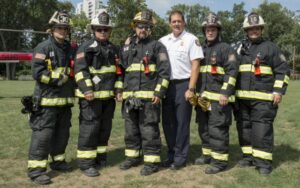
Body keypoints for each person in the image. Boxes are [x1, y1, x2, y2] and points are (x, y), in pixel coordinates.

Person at [235, 12, 290, 175]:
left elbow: (283, 71)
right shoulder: (240, 49)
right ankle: (248, 157)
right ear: (246, 30)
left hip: (263, 99)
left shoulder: (270, 48)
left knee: (261, 130)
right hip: (242, 99)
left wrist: (278, 91)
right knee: (244, 129)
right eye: (250, 28)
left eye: (257, 28)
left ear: (261, 29)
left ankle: (264, 163)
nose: (254, 31)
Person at [117, 10, 170, 176]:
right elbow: (121, 72)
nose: (143, 29)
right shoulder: (126, 47)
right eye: (140, 26)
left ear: (150, 29)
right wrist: (119, 90)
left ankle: (151, 162)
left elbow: (165, 72)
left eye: (147, 26)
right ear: (135, 27)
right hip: (130, 98)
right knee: (131, 130)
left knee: (149, 131)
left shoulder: (157, 46)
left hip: (149, 100)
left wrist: (159, 92)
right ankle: (133, 157)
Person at [27, 11, 75, 185]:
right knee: (43, 137)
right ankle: (36, 170)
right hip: (46, 102)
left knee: (62, 135)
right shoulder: (43, 47)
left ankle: (58, 162)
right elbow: (37, 72)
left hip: (65, 102)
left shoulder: (71, 48)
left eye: (65, 28)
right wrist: (57, 79)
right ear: (51, 29)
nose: (62, 31)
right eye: (59, 28)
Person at [74, 10, 121, 177]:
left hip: (108, 98)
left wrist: (118, 90)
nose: (103, 32)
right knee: (89, 129)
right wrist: (87, 89)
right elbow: (80, 71)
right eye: (100, 29)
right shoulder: (85, 47)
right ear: (93, 30)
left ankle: (100, 158)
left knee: (104, 129)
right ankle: (86, 163)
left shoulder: (114, 49)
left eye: (106, 29)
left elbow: (118, 72)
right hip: (90, 98)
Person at [193, 13, 238, 174]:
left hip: (219, 100)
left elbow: (232, 73)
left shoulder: (226, 49)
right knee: (204, 128)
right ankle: (207, 155)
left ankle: (219, 161)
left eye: (213, 29)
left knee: (217, 129)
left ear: (218, 30)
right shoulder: (200, 49)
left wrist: (225, 93)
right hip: (202, 99)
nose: (210, 32)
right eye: (207, 29)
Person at [159, 10, 203, 170]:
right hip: (167, 86)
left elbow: (196, 65)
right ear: (170, 23)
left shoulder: (192, 40)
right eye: (173, 21)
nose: (176, 24)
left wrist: (191, 88)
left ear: (184, 23)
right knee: (168, 123)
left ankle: (180, 157)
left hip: (184, 84)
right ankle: (171, 154)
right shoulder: (163, 41)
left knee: (182, 122)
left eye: (179, 21)